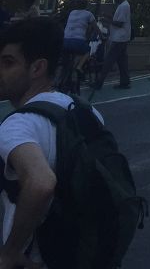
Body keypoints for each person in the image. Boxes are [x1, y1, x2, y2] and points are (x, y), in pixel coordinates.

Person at [0, 16, 104, 267]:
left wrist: (11, 252)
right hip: (80, 253)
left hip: (35, 257)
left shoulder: (18, 125)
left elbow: (41, 183)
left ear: (37, 68)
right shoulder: (84, 110)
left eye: (8, 63)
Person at [95, 0, 131, 91]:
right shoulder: (123, 5)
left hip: (119, 37)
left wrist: (106, 20)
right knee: (122, 61)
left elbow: (119, 23)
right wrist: (107, 16)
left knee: (109, 60)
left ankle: (99, 82)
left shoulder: (124, 6)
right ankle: (125, 82)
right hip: (122, 37)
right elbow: (118, 20)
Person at [58, 0, 97, 92]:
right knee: (87, 50)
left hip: (65, 41)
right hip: (78, 42)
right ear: (86, 5)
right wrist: (102, 37)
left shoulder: (72, 12)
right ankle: (79, 66)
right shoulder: (89, 14)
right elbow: (96, 28)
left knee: (65, 61)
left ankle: (59, 80)